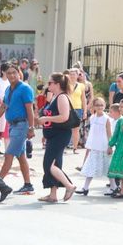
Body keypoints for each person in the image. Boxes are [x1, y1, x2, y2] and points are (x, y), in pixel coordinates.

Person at [0, 63, 36, 194]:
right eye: (9, 73)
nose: (11, 75)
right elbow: (3, 107)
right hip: (12, 125)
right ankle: (28, 185)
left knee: (9, 154)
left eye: (14, 72)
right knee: (21, 156)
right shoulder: (8, 89)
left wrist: (31, 127)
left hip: (21, 125)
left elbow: (30, 109)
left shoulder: (25, 88)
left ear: (19, 74)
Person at [34, 73, 77, 203]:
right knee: (55, 164)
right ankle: (53, 195)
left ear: (58, 84)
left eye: (51, 83)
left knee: (49, 164)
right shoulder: (55, 97)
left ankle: (69, 186)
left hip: (60, 134)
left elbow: (64, 117)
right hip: (54, 135)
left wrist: (46, 118)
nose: (48, 85)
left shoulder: (62, 97)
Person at [79, 97, 112, 196]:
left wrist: (110, 146)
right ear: (93, 106)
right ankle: (85, 187)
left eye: (101, 105)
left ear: (105, 106)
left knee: (108, 167)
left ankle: (113, 186)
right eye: (97, 105)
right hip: (94, 146)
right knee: (91, 166)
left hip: (103, 146)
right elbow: (92, 133)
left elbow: (109, 133)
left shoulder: (106, 119)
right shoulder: (92, 117)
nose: (99, 107)